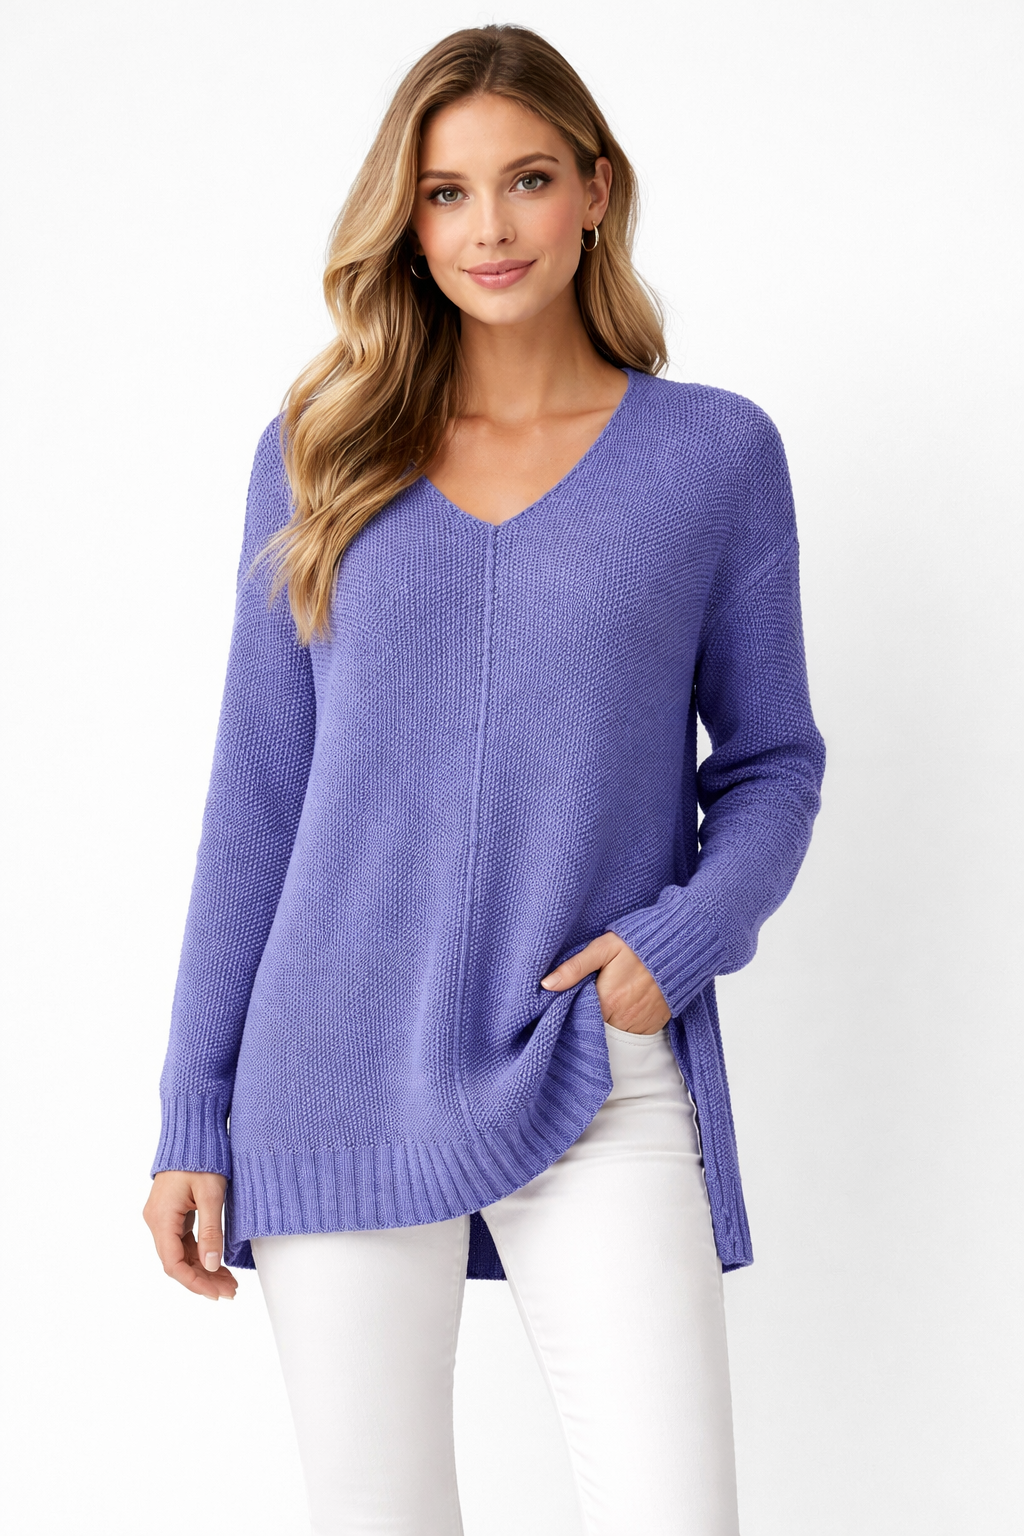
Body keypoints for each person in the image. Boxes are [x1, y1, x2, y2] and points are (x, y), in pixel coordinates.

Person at [143, 23, 826, 1536]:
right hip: (330, 1071)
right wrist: (194, 1111)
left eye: (526, 179)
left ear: (595, 190)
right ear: (407, 218)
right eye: (447, 193)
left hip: (590, 1054)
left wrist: (678, 943)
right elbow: (256, 799)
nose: (490, 227)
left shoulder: (711, 457)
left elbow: (774, 763)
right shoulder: (321, 453)